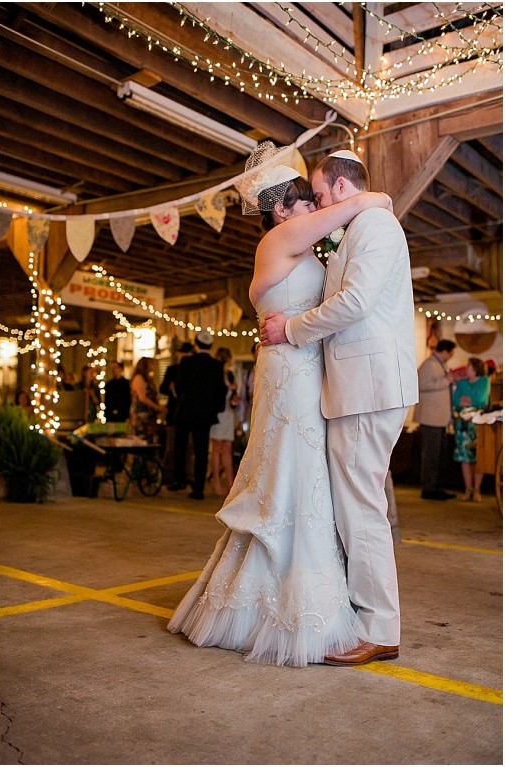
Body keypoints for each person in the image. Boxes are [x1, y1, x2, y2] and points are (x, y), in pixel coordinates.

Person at [169, 145, 398, 666]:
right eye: (304, 199)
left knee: (305, 479)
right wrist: (375, 195)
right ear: (282, 208)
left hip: (304, 366)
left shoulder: (301, 245)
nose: (312, 207)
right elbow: (342, 211)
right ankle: (288, 604)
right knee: (291, 478)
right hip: (290, 370)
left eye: (313, 197)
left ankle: (309, 595)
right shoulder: (280, 238)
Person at [258, 147, 418, 666]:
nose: (319, 204)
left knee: (362, 511)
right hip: (357, 385)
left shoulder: (374, 226)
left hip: (367, 385)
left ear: (341, 187)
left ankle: (379, 629)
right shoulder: (364, 225)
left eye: (321, 193)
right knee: (356, 507)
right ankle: (368, 617)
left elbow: (355, 302)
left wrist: (292, 329)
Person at [167, 332, 226, 500]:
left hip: (185, 412)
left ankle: (179, 479)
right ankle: (199, 488)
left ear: (196, 345)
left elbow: (179, 386)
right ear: (210, 346)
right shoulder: (216, 365)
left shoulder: (187, 362)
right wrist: (216, 409)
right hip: (204, 415)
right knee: (201, 451)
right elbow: (220, 390)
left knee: (181, 447)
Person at [416, 339, 457, 500]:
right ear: (446, 351)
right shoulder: (429, 364)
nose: (452, 355)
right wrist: (446, 380)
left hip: (438, 418)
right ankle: (429, 488)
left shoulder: (438, 365)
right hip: (430, 418)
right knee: (431, 455)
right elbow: (421, 384)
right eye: (452, 352)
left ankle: (437, 487)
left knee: (439, 456)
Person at [452, 356, 491, 502]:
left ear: (475, 368)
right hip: (463, 424)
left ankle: (477, 489)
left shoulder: (484, 380)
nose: (465, 368)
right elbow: (456, 400)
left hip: (478, 423)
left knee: (478, 457)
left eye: (468, 366)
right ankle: (468, 488)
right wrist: (466, 401)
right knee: (465, 457)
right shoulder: (462, 382)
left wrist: (466, 400)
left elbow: (482, 400)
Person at [161, 342, 194, 483]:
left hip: (189, 415)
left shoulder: (195, 370)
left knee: (188, 448)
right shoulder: (172, 370)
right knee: (171, 448)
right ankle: (169, 475)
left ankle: (186, 475)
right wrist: (171, 389)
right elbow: (162, 388)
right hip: (174, 414)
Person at [208, 347, 238, 497]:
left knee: (227, 447)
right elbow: (213, 394)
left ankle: (230, 483)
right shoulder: (214, 375)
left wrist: (234, 396)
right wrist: (228, 388)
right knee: (217, 448)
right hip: (217, 414)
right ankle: (216, 482)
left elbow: (234, 395)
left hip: (228, 413)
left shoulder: (230, 375)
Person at [130, 356, 164, 440]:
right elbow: (142, 397)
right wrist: (156, 407)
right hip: (142, 412)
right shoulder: (139, 378)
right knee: (143, 436)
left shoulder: (149, 378)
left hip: (149, 413)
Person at [103, 361, 131, 425]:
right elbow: (107, 400)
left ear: (121, 369)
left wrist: (127, 416)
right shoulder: (109, 384)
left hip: (122, 415)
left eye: (116, 367)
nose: (114, 370)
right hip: (111, 416)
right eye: (113, 368)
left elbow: (127, 400)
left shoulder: (126, 383)